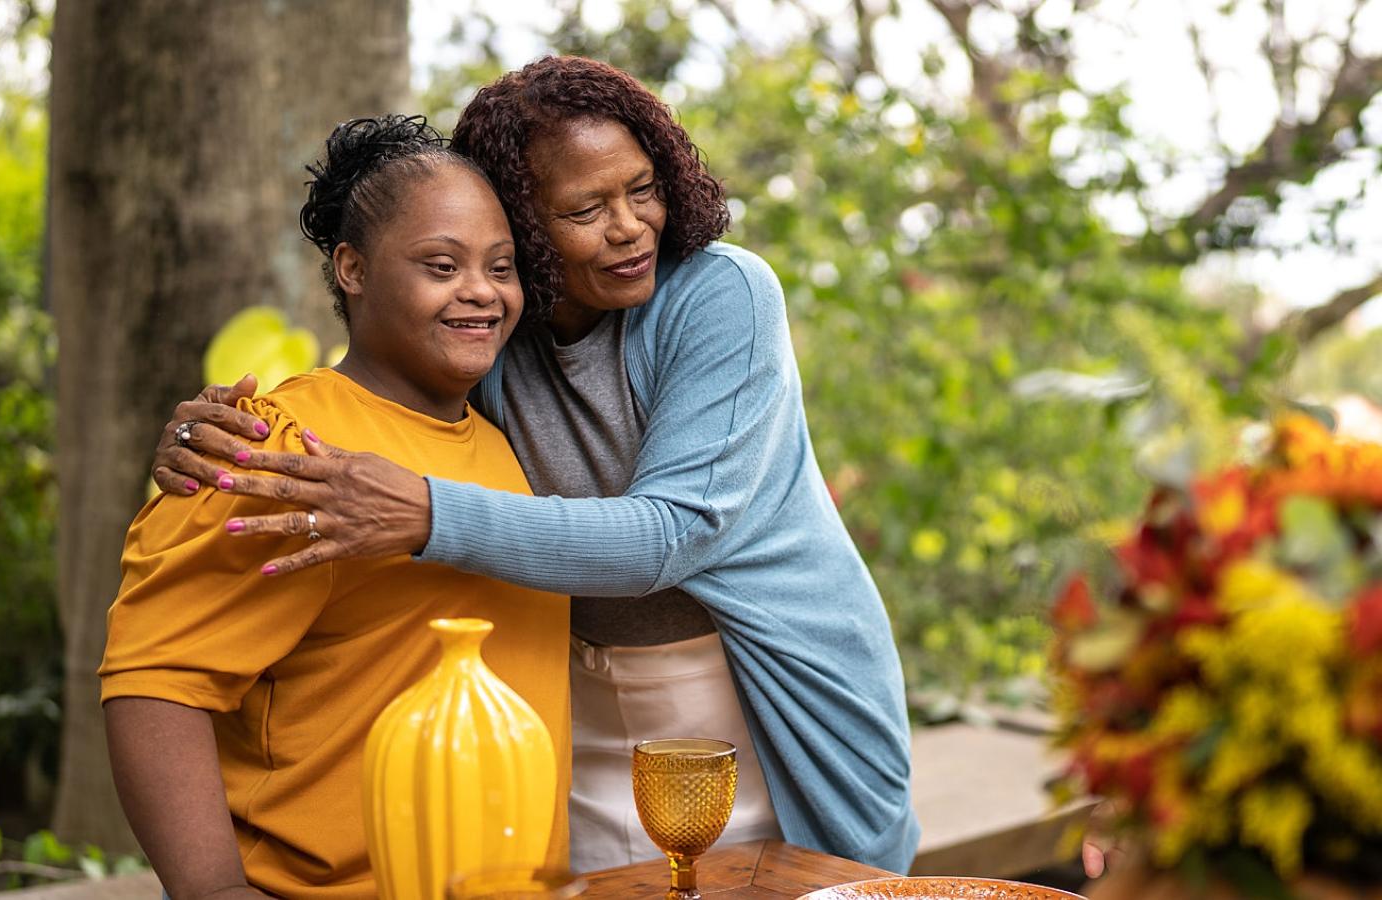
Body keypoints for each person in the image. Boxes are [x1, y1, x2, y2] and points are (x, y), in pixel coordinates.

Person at [154, 57, 919, 874]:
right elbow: (387, 385)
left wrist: (425, 514)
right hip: (571, 703)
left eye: (643, 187)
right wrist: (220, 432)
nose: (630, 227)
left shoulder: (720, 293)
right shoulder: (494, 327)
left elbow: (675, 533)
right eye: (585, 208)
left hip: (764, 698)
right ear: (520, 222)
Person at [100, 115, 569, 900]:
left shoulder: (501, 439)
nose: (482, 292)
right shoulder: (277, 447)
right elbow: (158, 679)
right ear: (352, 268)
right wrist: (213, 889)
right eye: (441, 264)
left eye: (501, 266)